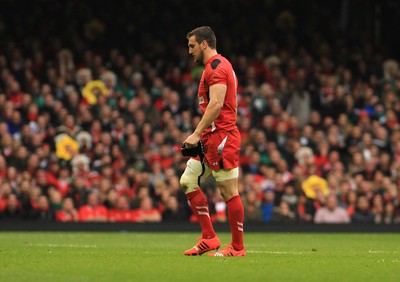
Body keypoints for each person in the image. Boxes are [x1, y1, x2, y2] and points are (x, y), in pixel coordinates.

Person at [180, 26, 245, 257]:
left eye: (192, 45)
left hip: (222, 137)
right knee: (188, 181)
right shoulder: (215, 67)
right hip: (210, 136)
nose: (190, 51)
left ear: (204, 44)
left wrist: (196, 133)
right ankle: (209, 238)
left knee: (229, 192)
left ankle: (237, 247)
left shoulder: (218, 67)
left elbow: (216, 104)